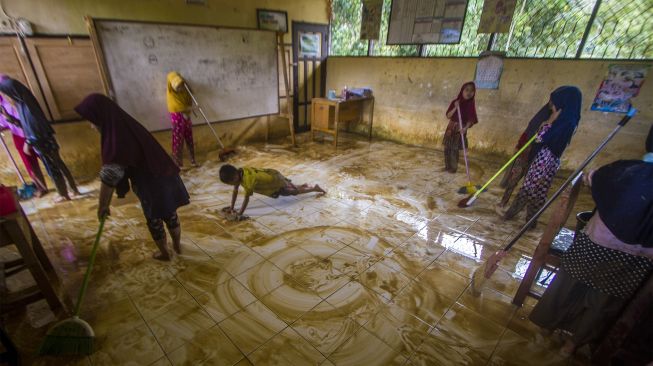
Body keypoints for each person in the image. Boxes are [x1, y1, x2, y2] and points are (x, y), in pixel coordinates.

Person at [529, 159, 653, 356]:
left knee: (568, 285)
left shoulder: (630, 170)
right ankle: (572, 344)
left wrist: (591, 176)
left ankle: (548, 326)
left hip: (599, 242)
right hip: (639, 256)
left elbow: (593, 177)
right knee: (602, 301)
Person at [75, 94, 190, 261]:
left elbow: (110, 175)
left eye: (92, 121)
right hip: (166, 173)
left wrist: (102, 205)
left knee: (154, 220)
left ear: (101, 117)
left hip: (151, 183)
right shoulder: (126, 124)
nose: (92, 126)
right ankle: (177, 247)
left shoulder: (116, 136)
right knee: (170, 213)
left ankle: (165, 253)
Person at [503, 86, 582, 227]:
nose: (551, 107)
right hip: (550, 160)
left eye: (554, 103)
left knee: (530, 188)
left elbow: (539, 138)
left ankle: (514, 214)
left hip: (544, 160)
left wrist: (549, 121)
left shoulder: (564, 123)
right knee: (539, 190)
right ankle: (530, 220)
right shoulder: (570, 120)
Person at [0, 75, 79, 202]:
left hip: (40, 139)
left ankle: (63, 194)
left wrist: (29, 142)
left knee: (52, 167)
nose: (7, 96)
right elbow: (25, 124)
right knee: (58, 163)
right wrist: (11, 119)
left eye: (8, 93)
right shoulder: (24, 102)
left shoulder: (26, 107)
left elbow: (33, 125)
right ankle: (73, 189)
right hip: (45, 137)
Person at [219, 164, 325, 221]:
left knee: (294, 192)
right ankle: (304, 185)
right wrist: (232, 207)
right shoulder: (240, 171)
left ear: (235, 176)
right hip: (273, 174)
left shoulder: (249, 181)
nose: (233, 184)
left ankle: (314, 188)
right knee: (289, 186)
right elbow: (235, 191)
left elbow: (246, 199)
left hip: (275, 182)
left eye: (232, 182)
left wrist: (239, 214)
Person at [499, 105, 551, 206]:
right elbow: (527, 131)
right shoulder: (537, 120)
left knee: (528, 184)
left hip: (537, 159)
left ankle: (517, 206)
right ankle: (503, 201)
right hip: (524, 153)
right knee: (513, 179)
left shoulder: (553, 126)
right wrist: (519, 146)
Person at [0, 93, 48, 196]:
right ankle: (41, 187)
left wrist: (8, 117)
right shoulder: (1, 105)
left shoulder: (12, 102)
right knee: (30, 165)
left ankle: (62, 184)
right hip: (18, 136)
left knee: (47, 158)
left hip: (30, 133)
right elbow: (5, 124)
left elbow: (22, 121)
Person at [442, 82, 478, 173]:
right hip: (451, 128)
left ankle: (453, 168)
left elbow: (471, 120)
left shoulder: (470, 104)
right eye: (467, 90)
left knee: (454, 149)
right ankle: (447, 166)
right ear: (462, 91)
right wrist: (455, 107)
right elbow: (448, 116)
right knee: (447, 148)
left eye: (472, 91)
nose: (469, 92)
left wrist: (465, 128)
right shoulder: (455, 102)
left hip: (461, 128)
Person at [166, 71, 197, 168]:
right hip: (177, 118)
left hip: (187, 116)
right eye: (177, 87)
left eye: (181, 86)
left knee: (189, 138)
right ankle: (178, 164)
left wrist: (185, 85)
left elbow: (191, 94)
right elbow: (177, 108)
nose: (180, 89)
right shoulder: (171, 95)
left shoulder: (185, 90)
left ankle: (193, 160)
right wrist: (192, 108)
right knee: (178, 140)